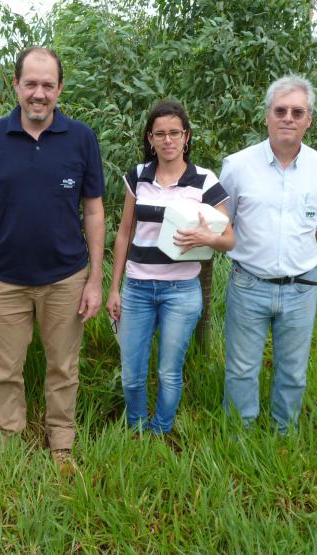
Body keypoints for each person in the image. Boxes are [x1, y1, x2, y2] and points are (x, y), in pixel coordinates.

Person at [0, 47, 105, 472]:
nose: (38, 94)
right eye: (30, 84)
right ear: (16, 86)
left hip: (66, 277)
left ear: (60, 88)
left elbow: (94, 210)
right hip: (3, 279)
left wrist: (95, 279)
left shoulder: (81, 138)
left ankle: (61, 444)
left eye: (47, 85)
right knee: (4, 370)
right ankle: (7, 444)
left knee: (63, 367)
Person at [220, 75, 317, 433]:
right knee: (241, 368)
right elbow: (223, 221)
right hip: (248, 283)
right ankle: (239, 435)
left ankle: (282, 434)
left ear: (309, 120)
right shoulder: (237, 166)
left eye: (297, 111)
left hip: (301, 287)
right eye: (280, 110)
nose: (288, 117)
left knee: (293, 370)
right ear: (267, 116)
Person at [105, 100, 233, 435]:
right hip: (136, 288)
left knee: (168, 371)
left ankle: (161, 430)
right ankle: (135, 428)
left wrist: (205, 236)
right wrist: (114, 288)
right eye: (159, 134)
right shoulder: (137, 176)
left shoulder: (204, 181)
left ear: (186, 136)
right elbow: (124, 234)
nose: (168, 140)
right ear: (150, 139)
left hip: (182, 290)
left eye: (174, 132)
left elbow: (229, 238)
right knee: (132, 371)